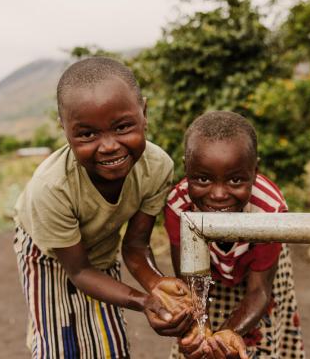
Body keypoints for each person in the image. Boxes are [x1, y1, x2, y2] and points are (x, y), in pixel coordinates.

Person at [13, 57, 194, 359]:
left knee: (110, 341)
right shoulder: (52, 187)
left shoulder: (157, 167)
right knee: (61, 342)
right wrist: (142, 301)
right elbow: (79, 270)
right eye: (87, 134)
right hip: (46, 255)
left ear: (144, 114)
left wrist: (156, 285)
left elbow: (135, 247)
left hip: (101, 245)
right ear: (65, 130)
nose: (109, 146)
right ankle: (42, 328)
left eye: (122, 127)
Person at [164, 111, 305, 358]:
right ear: (187, 169)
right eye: (203, 179)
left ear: (255, 171)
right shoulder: (179, 206)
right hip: (206, 273)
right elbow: (192, 286)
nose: (218, 194)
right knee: (197, 343)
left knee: (257, 342)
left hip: (259, 275)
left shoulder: (269, 210)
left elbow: (259, 291)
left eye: (236, 180)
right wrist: (203, 331)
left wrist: (229, 332)